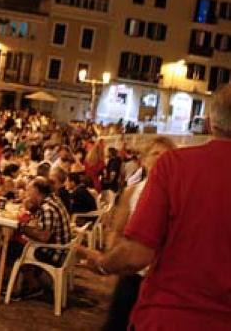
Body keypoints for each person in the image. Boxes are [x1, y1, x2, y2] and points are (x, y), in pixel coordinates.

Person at [83, 86, 231, 329]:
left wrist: (102, 263)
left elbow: (137, 254)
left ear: (210, 121)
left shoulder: (175, 166)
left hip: (171, 315)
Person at [78, 136, 175, 331]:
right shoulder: (133, 191)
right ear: (144, 161)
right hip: (132, 273)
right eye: (155, 154)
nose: (160, 159)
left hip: (160, 278)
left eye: (166, 155)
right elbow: (117, 230)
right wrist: (111, 258)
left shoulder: (176, 194)